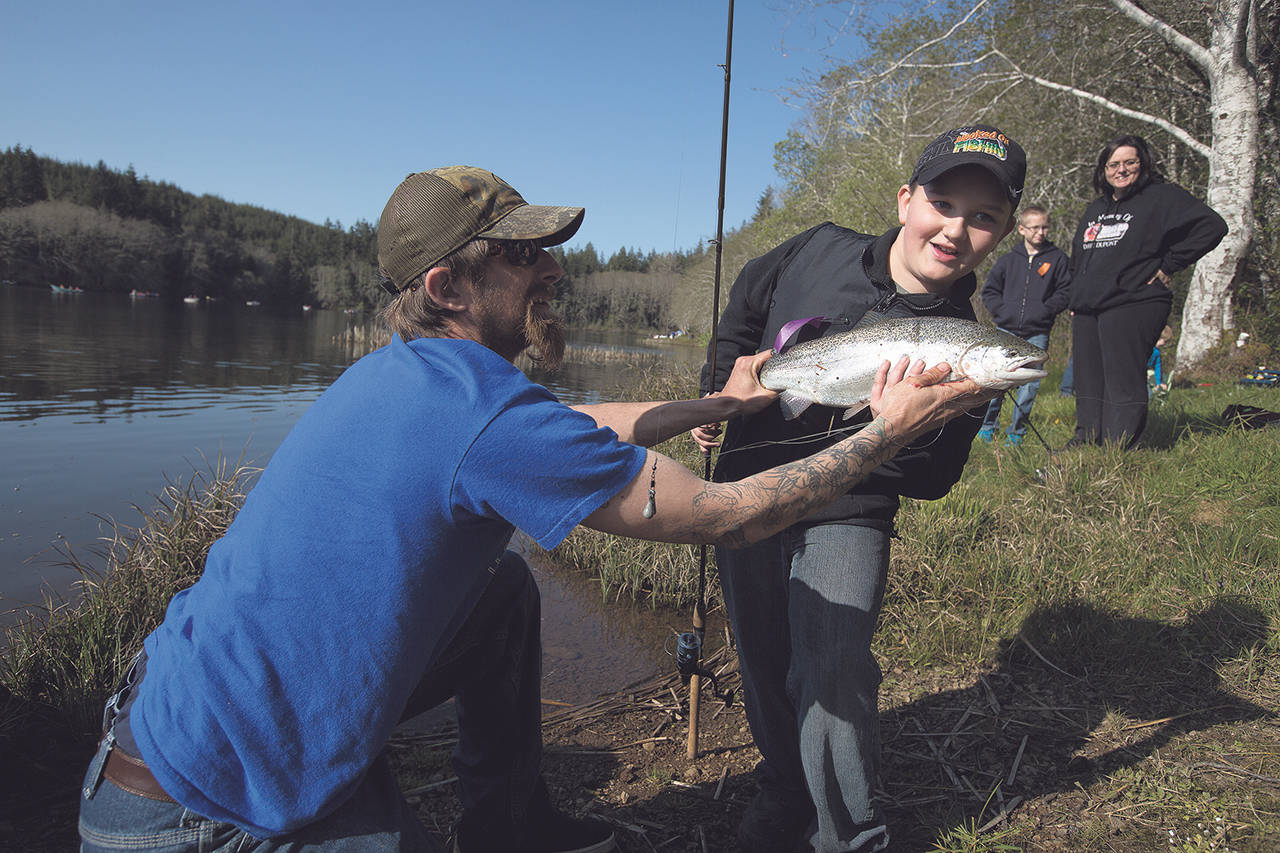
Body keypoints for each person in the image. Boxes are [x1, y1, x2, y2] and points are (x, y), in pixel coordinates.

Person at [78, 166, 998, 853]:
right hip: (201, 814)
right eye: (523, 256)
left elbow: (573, 423)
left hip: (161, 731)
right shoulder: (478, 411)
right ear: (448, 287)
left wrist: (717, 407)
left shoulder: (411, 375)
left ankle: (507, 821)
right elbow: (727, 516)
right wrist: (885, 432)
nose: (551, 272)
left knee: (504, 594)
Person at [692, 125, 1024, 853]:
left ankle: (847, 835)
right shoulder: (814, 248)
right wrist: (720, 386)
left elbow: (934, 481)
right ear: (906, 199)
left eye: (983, 217)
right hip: (745, 483)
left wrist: (903, 426)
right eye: (942, 202)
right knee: (761, 656)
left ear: (999, 235)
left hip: (851, 505)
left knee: (833, 662)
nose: (955, 228)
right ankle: (783, 788)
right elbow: (748, 300)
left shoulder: (968, 350)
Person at [1064, 134, 1227, 449]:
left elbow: (1212, 226)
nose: (1121, 170)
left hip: (1134, 301)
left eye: (1130, 162)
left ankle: (1119, 446)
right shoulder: (1096, 208)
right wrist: (1076, 296)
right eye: (1114, 164)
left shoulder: (1161, 197)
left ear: (1143, 164)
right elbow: (1078, 256)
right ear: (1104, 170)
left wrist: (1169, 265)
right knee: (1088, 378)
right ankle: (1086, 439)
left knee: (1121, 377)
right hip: (1087, 306)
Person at [978, 204, 1071, 445]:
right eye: (1035, 227)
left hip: (1037, 332)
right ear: (1021, 229)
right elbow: (989, 291)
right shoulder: (1008, 260)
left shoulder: (1058, 259)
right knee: (997, 381)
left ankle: (1017, 432)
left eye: (1045, 227)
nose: (1040, 232)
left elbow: (1065, 292)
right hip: (1005, 330)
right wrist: (1003, 311)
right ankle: (988, 426)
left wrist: (1044, 311)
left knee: (1029, 386)